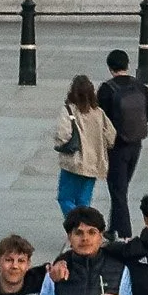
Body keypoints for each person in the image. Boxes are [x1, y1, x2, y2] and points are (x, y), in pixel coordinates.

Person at [97, 49, 148, 238]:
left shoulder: (107, 89)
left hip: (116, 146)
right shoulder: (140, 87)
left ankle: (123, 233)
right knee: (121, 188)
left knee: (117, 190)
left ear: (110, 67)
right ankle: (113, 228)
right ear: (127, 65)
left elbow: (100, 120)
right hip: (136, 143)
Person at [54, 74, 116, 215]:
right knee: (84, 200)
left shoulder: (69, 110)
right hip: (93, 162)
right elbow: (111, 135)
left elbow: (63, 135)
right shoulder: (98, 112)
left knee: (65, 198)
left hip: (73, 162)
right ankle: (84, 223)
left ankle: (76, 224)